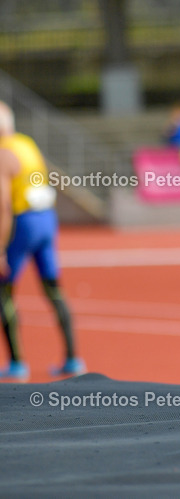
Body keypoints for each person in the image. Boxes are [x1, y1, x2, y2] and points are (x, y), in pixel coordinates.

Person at [0, 102, 85, 381]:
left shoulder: (3, 153)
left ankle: (17, 363)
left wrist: (1, 250)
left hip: (23, 222)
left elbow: (3, 207)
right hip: (46, 220)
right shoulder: (26, 143)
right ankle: (72, 358)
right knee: (53, 287)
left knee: (4, 290)